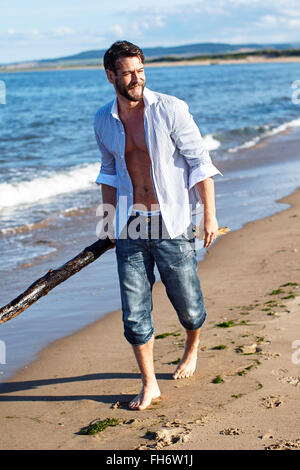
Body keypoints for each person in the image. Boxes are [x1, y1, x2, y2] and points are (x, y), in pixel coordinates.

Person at [94, 41, 222, 410]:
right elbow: (108, 172)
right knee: (134, 313)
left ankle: (192, 344)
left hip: (173, 221)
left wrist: (209, 215)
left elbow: (199, 161)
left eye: (140, 71)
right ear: (110, 76)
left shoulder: (170, 109)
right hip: (130, 225)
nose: (136, 79)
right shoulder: (103, 119)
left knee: (189, 305)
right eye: (128, 73)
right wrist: (107, 221)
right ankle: (149, 382)